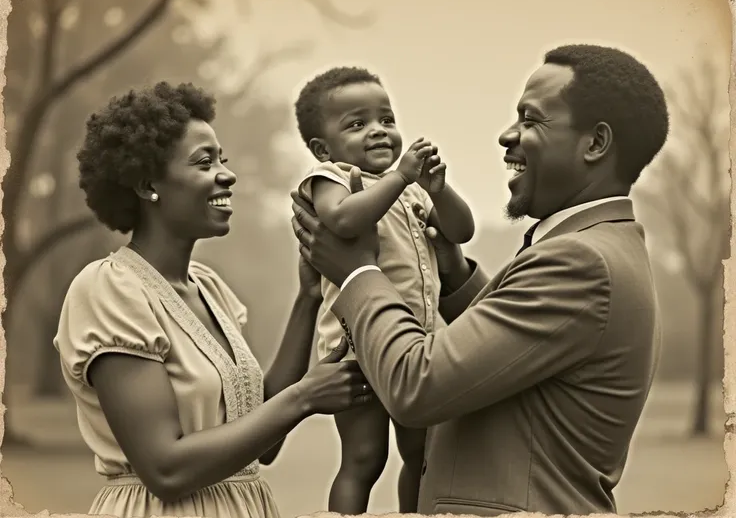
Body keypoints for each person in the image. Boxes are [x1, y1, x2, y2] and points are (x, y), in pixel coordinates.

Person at [290, 44, 669, 516]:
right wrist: (453, 272)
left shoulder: (580, 261)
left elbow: (417, 385)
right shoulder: (597, 246)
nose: (507, 135)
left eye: (531, 120)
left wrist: (356, 273)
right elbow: (508, 350)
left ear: (594, 144)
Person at [53, 81, 373, 518]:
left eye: (222, 158)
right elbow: (165, 469)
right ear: (149, 184)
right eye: (205, 162)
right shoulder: (110, 290)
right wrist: (304, 397)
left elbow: (262, 443)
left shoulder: (209, 288)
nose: (228, 173)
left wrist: (308, 298)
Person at [292, 66, 475, 514]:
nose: (378, 131)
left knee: (422, 456)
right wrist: (400, 178)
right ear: (323, 147)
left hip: (417, 347)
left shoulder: (413, 192)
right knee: (363, 458)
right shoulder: (330, 178)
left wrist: (439, 188)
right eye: (357, 124)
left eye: (386, 120)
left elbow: (461, 230)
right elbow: (343, 221)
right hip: (355, 350)